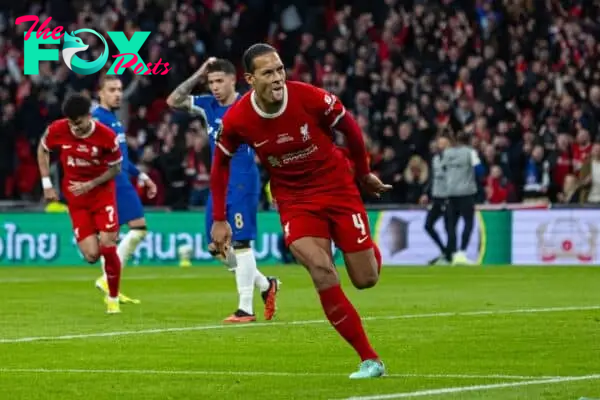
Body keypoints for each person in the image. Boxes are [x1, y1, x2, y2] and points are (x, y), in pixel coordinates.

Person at [209, 43, 390, 379]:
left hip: (337, 187)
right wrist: (219, 218)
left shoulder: (309, 97)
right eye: (268, 72)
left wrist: (363, 173)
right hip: (294, 199)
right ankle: (370, 359)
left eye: (280, 69)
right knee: (321, 269)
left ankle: (356, 245)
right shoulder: (237, 119)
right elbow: (220, 164)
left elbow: (348, 127)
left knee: (366, 279)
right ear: (250, 79)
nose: (278, 78)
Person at [167, 57, 279, 323]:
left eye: (219, 81)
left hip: (243, 177)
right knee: (216, 247)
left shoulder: (250, 103)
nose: (215, 87)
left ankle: (245, 309)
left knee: (240, 242)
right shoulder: (208, 105)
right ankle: (265, 285)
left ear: (233, 80)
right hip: (219, 181)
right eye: (211, 82)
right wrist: (198, 74)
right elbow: (173, 101)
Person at [37, 93, 124, 314]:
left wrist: (91, 184)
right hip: (76, 200)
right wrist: (47, 183)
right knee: (91, 256)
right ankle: (104, 232)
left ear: (89, 116)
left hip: (101, 195)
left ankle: (113, 299)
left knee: (108, 245)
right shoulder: (59, 129)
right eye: (70, 123)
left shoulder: (106, 136)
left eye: (78, 122)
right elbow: (43, 148)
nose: (74, 128)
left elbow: (116, 168)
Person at [92, 75, 158, 304]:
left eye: (119, 89)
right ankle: (107, 279)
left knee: (112, 238)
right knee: (138, 228)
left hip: (122, 181)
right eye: (112, 90)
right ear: (100, 92)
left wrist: (141, 175)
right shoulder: (97, 120)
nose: (118, 94)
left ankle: (110, 283)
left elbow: (121, 157)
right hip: (112, 184)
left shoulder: (113, 119)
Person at [443, 131, 481, 265]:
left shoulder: (447, 153)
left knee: (451, 225)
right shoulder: (470, 152)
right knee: (468, 223)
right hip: (466, 193)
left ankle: (452, 253)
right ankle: (462, 253)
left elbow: (443, 170)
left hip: (451, 193)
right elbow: (480, 170)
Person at [421, 134, 451, 264]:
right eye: (440, 144)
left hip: (448, 197)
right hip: (437, 197)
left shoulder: (452, 159)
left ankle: (449, 254)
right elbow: (432, 177)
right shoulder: (435, 159)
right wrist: (426, 193)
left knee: (448, 227)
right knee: (428, 225)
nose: (441, 146)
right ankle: (445, 251)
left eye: (444, 144)